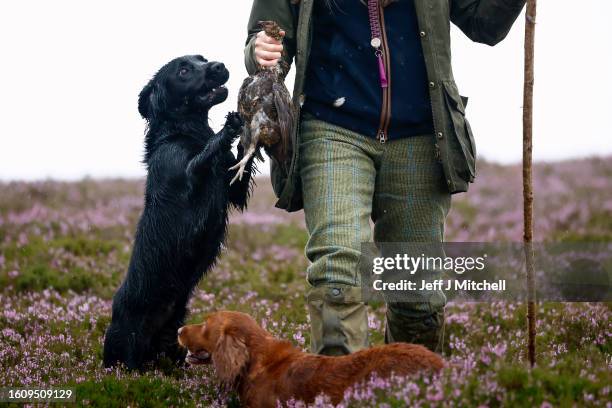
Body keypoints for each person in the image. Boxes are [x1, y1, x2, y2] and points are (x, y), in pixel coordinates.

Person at [243, 0, 525, 355]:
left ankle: (409, 389)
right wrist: (261, 51)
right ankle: (340, 393)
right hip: (330, 127)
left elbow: (485, 24)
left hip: (422, 136)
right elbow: (267, 36)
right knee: (337, 272)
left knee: (417, 295)